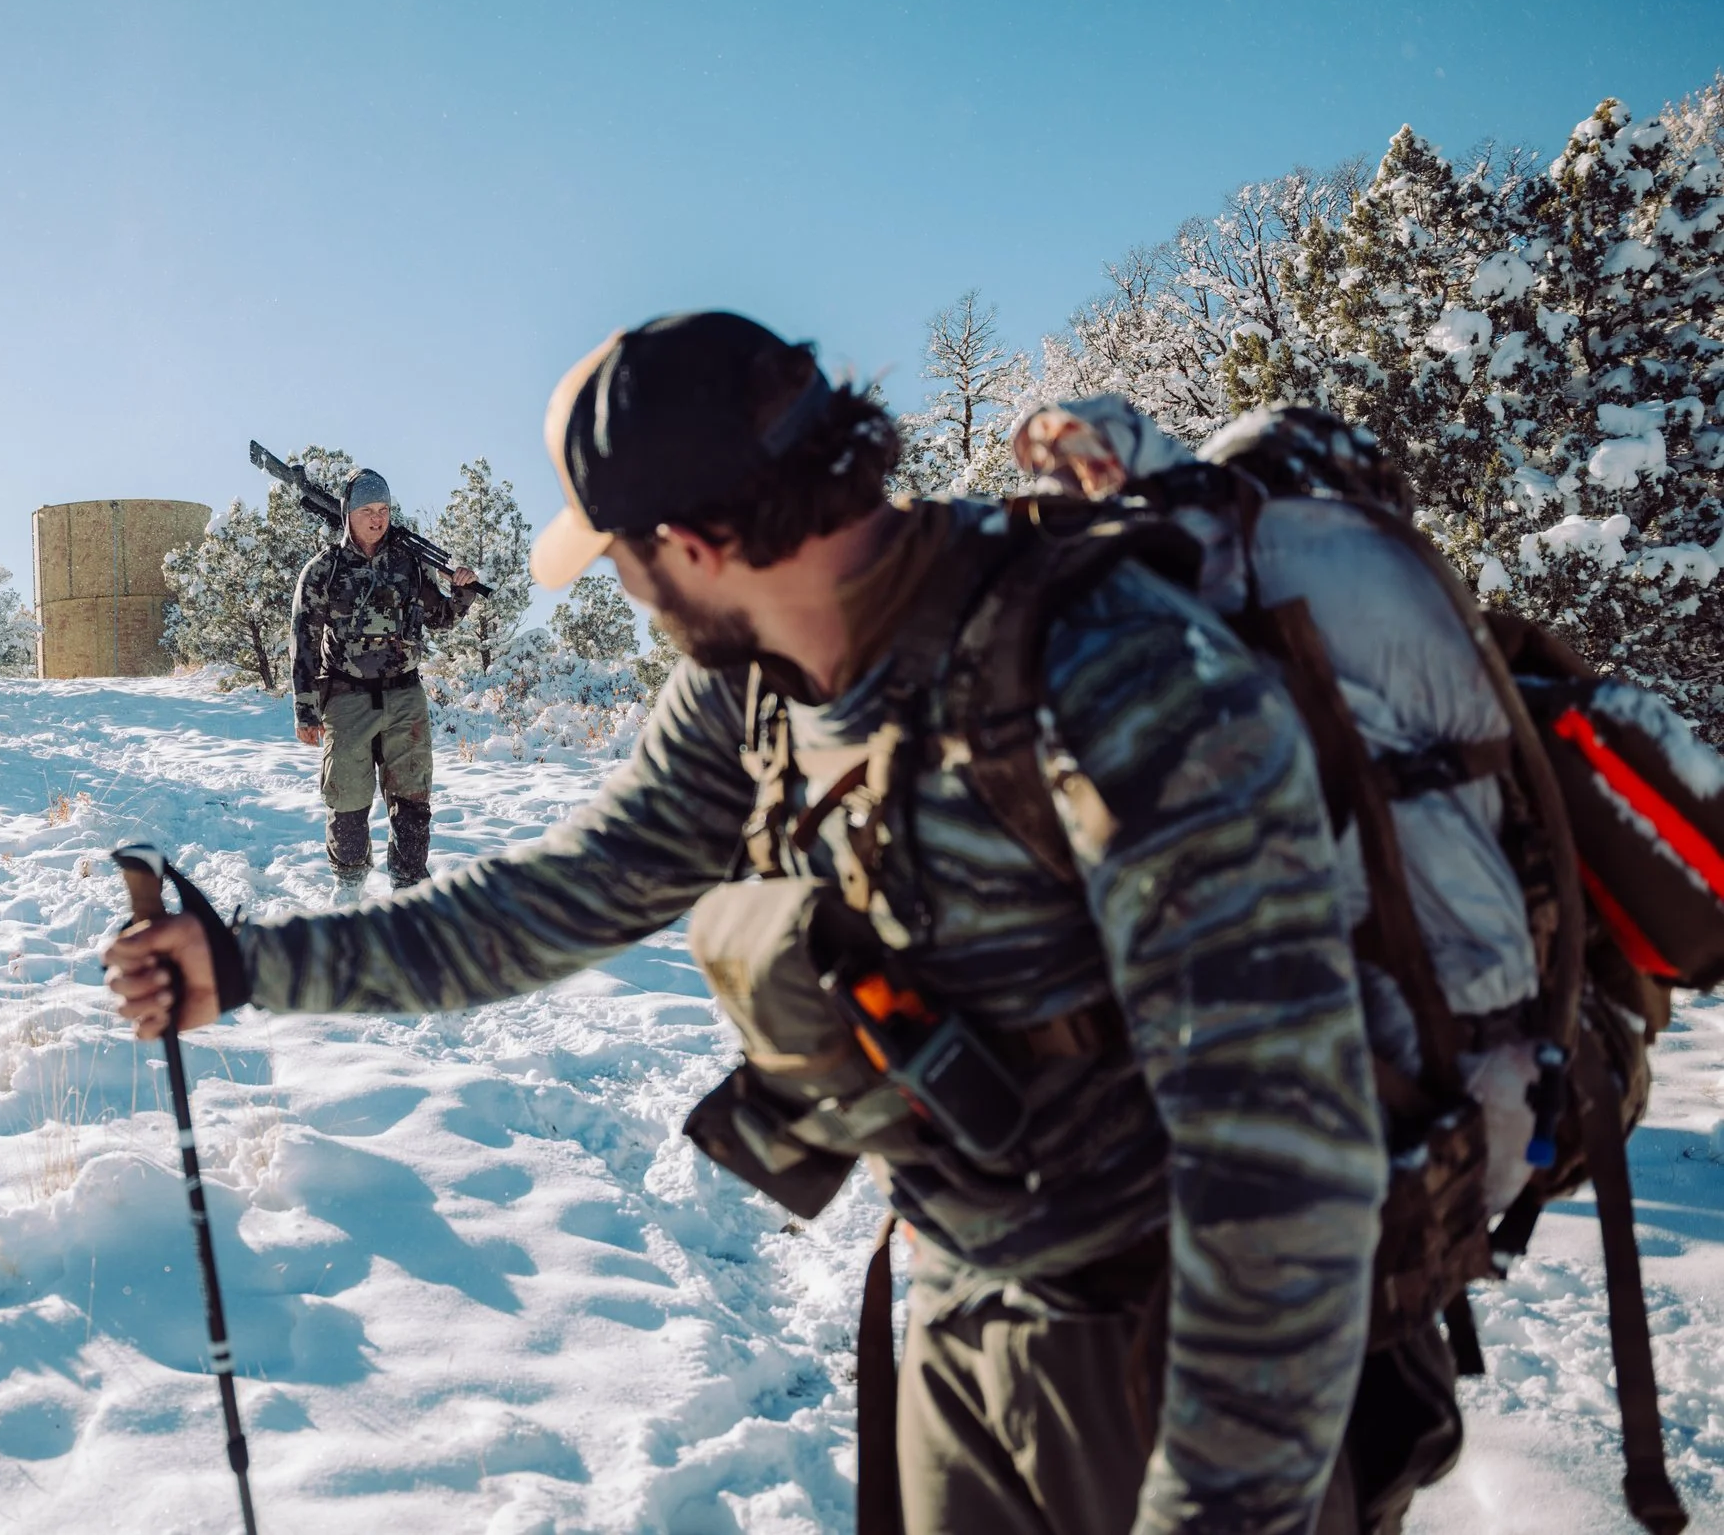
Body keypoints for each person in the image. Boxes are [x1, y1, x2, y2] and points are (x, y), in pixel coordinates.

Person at [110, 311, 1385, 1535]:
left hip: (1180, 1346)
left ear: (693, 539)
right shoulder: (751, 687)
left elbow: (1287, 1174)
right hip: (959, 1291)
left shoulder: (1116, 673)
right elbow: (550, 903)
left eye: (618, 554)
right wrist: (249, 964)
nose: (620, 585)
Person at [289, 468, 479, 894]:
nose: (377, 519)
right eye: (367, 511)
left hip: (404, 695)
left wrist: (461, 591)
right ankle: (349, 889)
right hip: (346, 697)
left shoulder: (408, 563)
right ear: (347, 515)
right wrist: (305, 708)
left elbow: (440, 618)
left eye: (384, 510)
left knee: (413, 799)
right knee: (347, 799)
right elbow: (302, 641)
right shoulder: (324, 570)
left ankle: (409, 891)